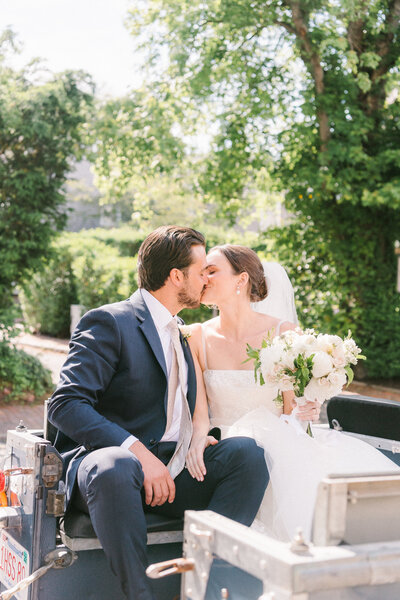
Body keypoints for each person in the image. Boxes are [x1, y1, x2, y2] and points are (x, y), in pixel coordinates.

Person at [47, 228, 269, 600]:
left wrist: (201, 437)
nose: (206, 280)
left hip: (173, 469)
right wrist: (137, 452)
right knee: (116, 465)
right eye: (202, 271)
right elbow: (65, 404)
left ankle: (205, 588)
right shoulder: (109, 322)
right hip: (110, 471)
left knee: (246, 455)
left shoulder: (183, 333)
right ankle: (139, 594)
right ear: (176, 276)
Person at [185, 244, 399, 541]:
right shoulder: (196, 336)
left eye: (212, 270)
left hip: (277, 445)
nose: (203, 277)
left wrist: (305, 408)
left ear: (241, 280)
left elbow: (291, 413)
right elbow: (200, 416)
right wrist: (197, 441)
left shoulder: (284, 334)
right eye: (202, 271)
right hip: (224, 451)